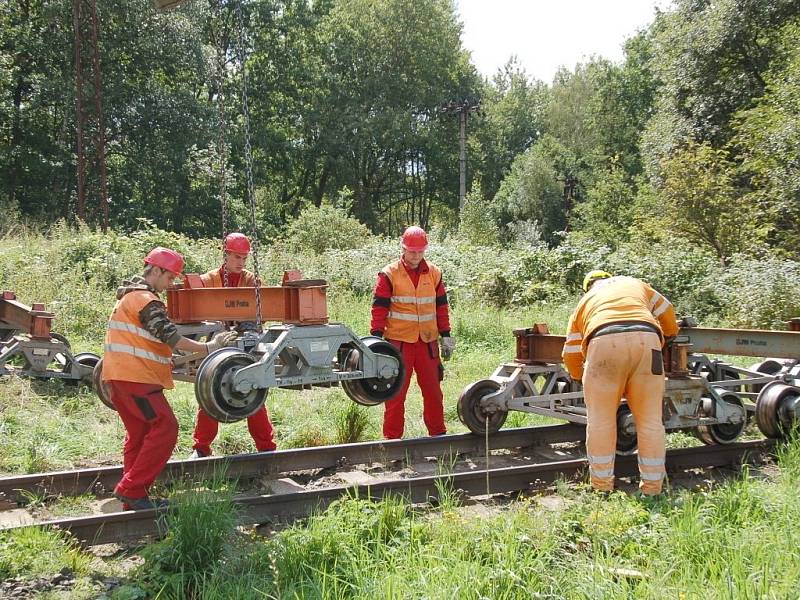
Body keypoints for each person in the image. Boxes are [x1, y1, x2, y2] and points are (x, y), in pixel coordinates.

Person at [102, 247, 237, 510]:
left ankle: (134, 497)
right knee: (166, 427)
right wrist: (210, 347)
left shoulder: (127, 298)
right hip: (137, 380)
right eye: (170, 276)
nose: (171, 283)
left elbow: (147, 340)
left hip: (118, 377)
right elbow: (172, 339)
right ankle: (131, 489)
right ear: (155, 270)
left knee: (140, 433)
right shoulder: (145, 300)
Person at [562, 270, 679, 496]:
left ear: (588, 287)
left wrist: (578, 375)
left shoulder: (585, 303)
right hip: (648, 343)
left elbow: (571, 352)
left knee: (600, 422)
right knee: (650, 422)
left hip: (602, 342)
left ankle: (601, 488)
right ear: (608, 277)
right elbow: (666, 310)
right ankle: (653, 490)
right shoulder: (636, 284)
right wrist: (670, 333)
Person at [189, 232, 277, 458]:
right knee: (210, 395)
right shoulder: (208, 280)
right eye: (237, 257)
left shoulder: (252, 281)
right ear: (225, 254)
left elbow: (262, 312)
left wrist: (244, 328)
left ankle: (267, 449)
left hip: (244, 347)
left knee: (254, 395)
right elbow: (195, 313)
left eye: (244, 258)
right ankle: (201, 449)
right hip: (216, 346)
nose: (241, 262)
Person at [370, 226, 454, 439]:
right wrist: (375, 339)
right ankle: (392, 441)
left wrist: (446, 335)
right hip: (398, 345)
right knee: (395, 394)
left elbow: (441, 307)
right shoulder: (389, 273)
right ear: (403, 248)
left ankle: (438, 436)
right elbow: (379, 308)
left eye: (420, 252)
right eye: (412, 251)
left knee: (434, 393)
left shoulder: (434, 273)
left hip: (427, 344)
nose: (416, 256)